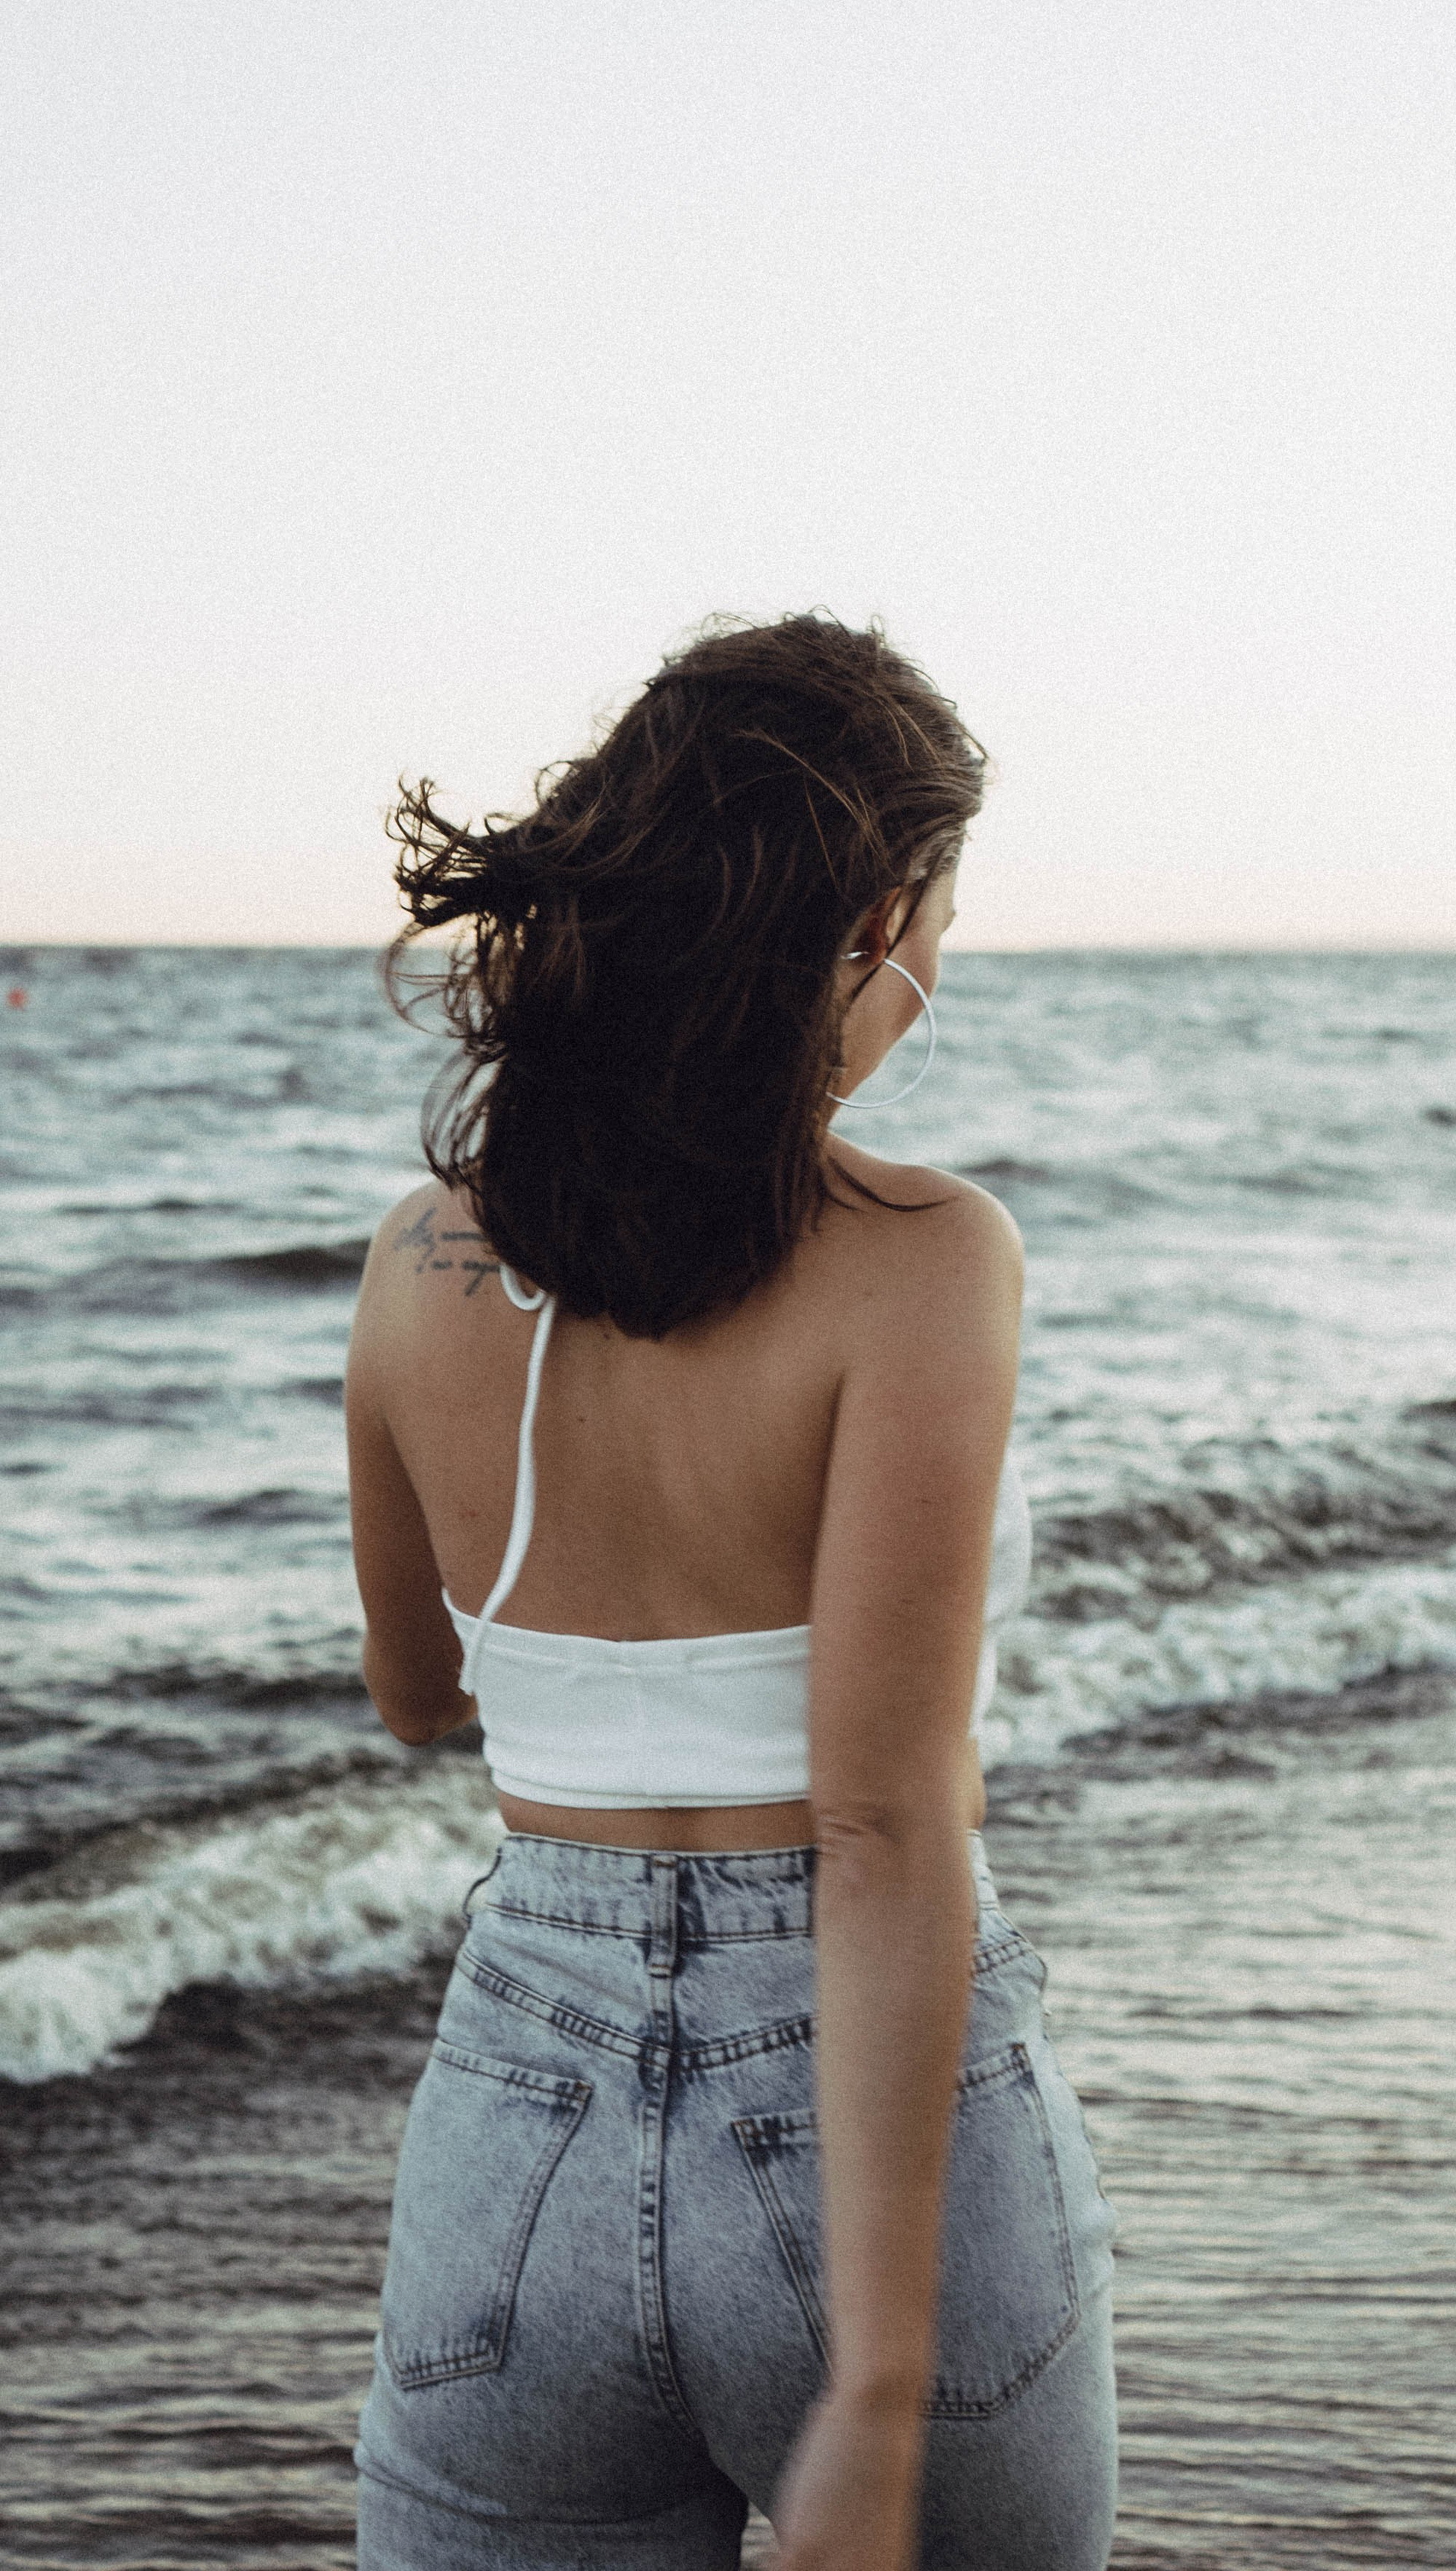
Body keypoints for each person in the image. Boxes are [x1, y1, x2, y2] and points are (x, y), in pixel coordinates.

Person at [345, 617, 1118, 2571]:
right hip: (852, 2123)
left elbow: (420, 1700)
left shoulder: (413, 1264)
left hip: (516, 2091)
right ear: (865, 921)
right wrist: (874, 2374)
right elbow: (875, 1823)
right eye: (935, 921)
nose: (930, 976)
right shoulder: (925, 1259)